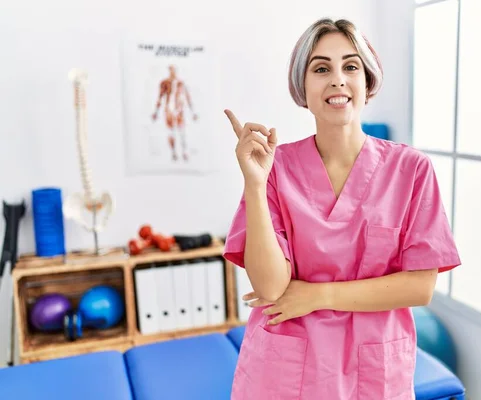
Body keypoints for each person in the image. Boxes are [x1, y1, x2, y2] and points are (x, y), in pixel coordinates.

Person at [222, 18, 461, 399]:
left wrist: (318, 296)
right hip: (285, 371)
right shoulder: (274, 167)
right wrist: (253, 181)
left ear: (368, 81)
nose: (337, 79)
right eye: (321, 68)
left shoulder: (412, 170)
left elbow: (420, 286)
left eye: (350, 66)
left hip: (372, 372)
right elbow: (269, 286)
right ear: (303, 85)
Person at [151, 65, 198, 161]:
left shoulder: (181, 83)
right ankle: (173, 152)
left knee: (182, 131)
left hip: (179, 110)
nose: (173, 72)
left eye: (174, 70)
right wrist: (156, 112)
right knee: (171, 131)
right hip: (169, 110)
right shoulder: (165, 83)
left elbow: (187, 97)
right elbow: (160, 97)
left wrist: (193, 112)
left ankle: (184, 152)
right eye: (171, 70)